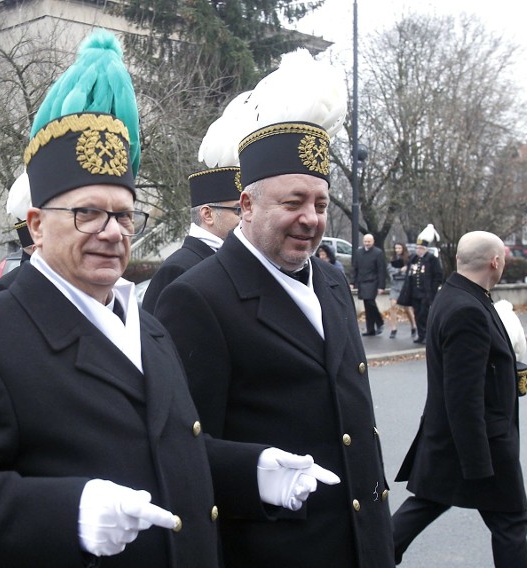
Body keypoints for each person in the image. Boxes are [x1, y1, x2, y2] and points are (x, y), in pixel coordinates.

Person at [0, 32, 337, 568]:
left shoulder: (146, 326)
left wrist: (254, 470)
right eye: (88, 213)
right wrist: (69, 512)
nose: (112, 232)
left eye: (125, 215)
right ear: (36, 226)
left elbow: (171, 454)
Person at [154, 50, 394, 566]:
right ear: (246, 205)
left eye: (321, 204)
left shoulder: (332, 281)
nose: (310, 218)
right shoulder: (198, 298)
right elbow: (182, 454)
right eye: (292, 203)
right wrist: (260, 472)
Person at [392, 231, 527, 567]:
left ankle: (370, 553)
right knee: (511, 522)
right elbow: (463, 394)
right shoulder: (467, 308)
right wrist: (479, 463)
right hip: (481, 444)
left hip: (456, 441)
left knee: (427, 503)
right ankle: (370, 553)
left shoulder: (457, 295)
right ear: (495, 262)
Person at [141, 167, 242, 313]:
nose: (245, 218)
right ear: (208, 214)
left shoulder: (230, 259)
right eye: (238, 210)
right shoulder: (178, 268)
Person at [400, 234, 443, 344]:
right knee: (417, 314)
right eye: (417, 248)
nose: (419, 250)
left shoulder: (432, 259)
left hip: (426, 293)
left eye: (421, 248)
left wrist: (433, 290)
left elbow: (438, 276)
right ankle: (421, 335)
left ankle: (427, 336)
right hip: (415, 292)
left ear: (425, 249)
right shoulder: (413, 259)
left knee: (425, 314)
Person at [353, 233, 387, 336]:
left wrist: (381, 286)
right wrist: (353, 282)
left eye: (369, 242)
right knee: (367, 305)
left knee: (370, 301)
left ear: (373, 242)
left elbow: (382, 270)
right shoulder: (358, 252)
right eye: (365, 241)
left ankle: (380, 321)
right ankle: (370, 329)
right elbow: (355, 268)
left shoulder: (378, 253)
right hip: (362, 281)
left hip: (373, 281)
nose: (367, 243)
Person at [387, 242, 417, 338]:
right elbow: (390, 270)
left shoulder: (408, 259)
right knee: (392, 306)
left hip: (405, 285)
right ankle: (393, 328)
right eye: (396, 248)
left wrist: (405, 270)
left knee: (407, 308)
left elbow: (411, 270)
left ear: (403, 249)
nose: (397, 250)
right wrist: (400, 270)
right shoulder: (393, 259)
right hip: (395, 284)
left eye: (399, 248)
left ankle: (413, 326)